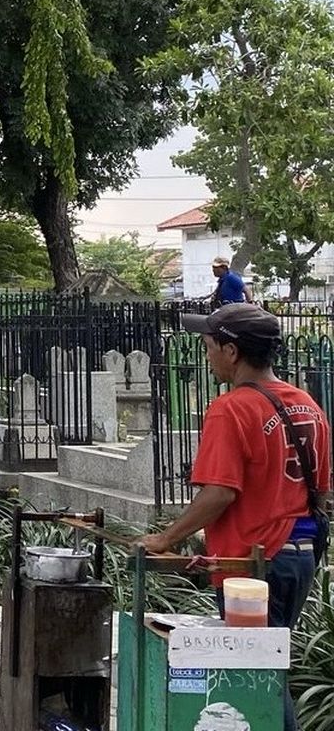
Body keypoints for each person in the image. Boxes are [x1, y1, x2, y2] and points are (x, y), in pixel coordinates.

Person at [140, 303, 331, 731]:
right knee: (267, 663)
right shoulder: (307, 406)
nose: (206, 353)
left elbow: (220, 493)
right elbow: (319, 488)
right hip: (300, 554)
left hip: (255, 565)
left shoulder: (232, 408)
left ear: (231, 351)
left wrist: (166, 538)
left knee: (259, 673)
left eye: (209, 345)